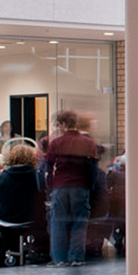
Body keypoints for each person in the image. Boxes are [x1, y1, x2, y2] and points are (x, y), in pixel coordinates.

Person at [42, 110, 98, 266]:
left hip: (60, 186)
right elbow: (92, 168)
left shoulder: (56, 143)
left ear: (64, 124)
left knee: (58, 222)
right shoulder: (88, 143)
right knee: (79, 223)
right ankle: (76, 257)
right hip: (80, 186)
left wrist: (51, 185)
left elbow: (48, 167)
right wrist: (90, 186)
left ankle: (59, 258)